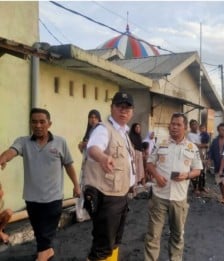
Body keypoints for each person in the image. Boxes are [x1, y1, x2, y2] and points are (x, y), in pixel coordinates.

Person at [0, 108, 80, 261]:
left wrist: (76, 185)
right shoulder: (23, 141)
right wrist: (3, 158)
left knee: (46, 232)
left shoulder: (60, 142)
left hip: (53, 197)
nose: (38, 125)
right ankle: (46, 253)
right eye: (34, 122)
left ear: (49, 124)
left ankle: (42, 256)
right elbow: (12, 151)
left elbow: (69, 165)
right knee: (39, 232)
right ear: (30, 124)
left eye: (42, 122)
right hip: (32, 198)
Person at [83, 91, 136, 261]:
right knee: (102, 246)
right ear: (111, 108)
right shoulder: (104, 129)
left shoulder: (124, 133)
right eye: (119, 107)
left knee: (114, 242)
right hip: (107, 197)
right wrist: (103, 157)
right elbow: (93, 149)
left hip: (121, 195)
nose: (123, 111)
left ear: (132, 112)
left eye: (127, 108)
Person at [144, 112, 203, 261]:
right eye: (173, 124)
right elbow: (149, 163)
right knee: (153, 235)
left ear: (185, 128)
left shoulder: (192, 148)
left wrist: (187, 175)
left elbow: (198, 169)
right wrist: (157, 176)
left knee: (177, 236)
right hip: (159, 197)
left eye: (178, 124)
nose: (174, 127)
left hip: (179, 199)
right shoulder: (160, 143)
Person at [76, 109, 102, 223]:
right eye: (91, 117)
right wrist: (81, 146)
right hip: (86, 164)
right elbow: (84, 151)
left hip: (96, 166)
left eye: (95, 117)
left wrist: (89, 144)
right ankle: (82, 213)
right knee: (83, 187)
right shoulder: (88, 132)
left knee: (95, 188)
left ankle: (95, 211)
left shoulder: (101, 132)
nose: (93, 120)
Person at [208, 123, 224, 204]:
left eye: (223, 130)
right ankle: (223, 196)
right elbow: (211, 151)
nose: (221, 132)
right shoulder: (215, 141)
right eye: (220, 130)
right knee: (220, 181)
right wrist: (209, 159)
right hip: (217, 163)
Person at [187, 119, 208, 195]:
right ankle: (195, 188)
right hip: (195, 155)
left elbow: (206, 141)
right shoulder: (189, 135)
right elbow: (194, 145)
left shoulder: (200, 133)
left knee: (203, 171)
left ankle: (202, 187)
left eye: (196, 124)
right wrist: (204, 145)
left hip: (203, 154)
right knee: (195, 171)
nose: (194, 126)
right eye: (192, 125)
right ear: (190, 126)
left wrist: (205, 145)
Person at [129, 123, 146, 187]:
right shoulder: (131, 136)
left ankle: (138, 183)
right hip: (134, 154)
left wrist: (142, 153)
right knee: (134, 169)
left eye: (139, 127)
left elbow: (140, 146)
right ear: (134, 128)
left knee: (139, 169)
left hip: (139, 154)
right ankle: (134, 184)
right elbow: (131, 146)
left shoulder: (139, 137)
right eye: (136, 127)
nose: (138, 129)